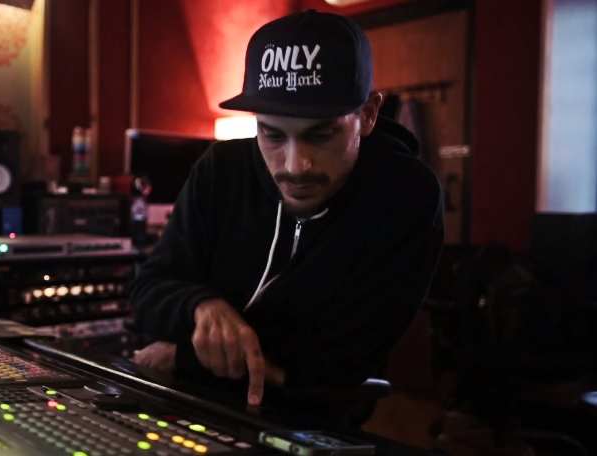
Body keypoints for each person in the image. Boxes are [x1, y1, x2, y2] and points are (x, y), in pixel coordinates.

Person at [130, 9, 444, 408]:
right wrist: (202, 306)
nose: (296, 166)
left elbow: (340, 360)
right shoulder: (221, 168)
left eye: (321, 135)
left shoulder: (406, 194)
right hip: (190, 402)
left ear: (367, 115)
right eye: (272, 134)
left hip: (314, 418)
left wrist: (184, 355)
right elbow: (147, 293)